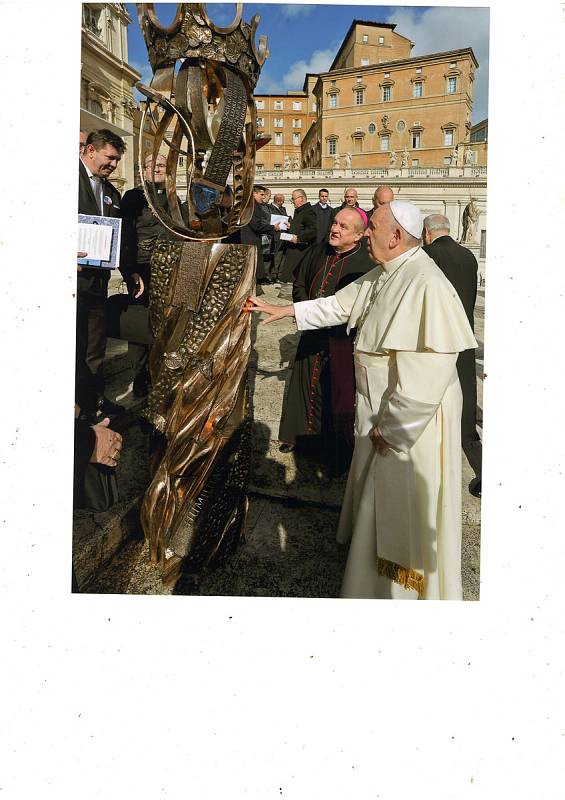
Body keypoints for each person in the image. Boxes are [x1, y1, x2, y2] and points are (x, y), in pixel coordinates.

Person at [248, 200, 477, 600]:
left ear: (395, 236)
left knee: (399, 513)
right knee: (377, 505)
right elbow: (338, 305)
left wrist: (395, 430)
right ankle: (370, 574)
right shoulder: (387, 272)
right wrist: (284, 310)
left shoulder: (425, 282)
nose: (367, 233)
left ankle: (401, 589)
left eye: (374, 228)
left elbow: (431, 370)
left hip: (408, 428)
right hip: (380, 415)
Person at [278, 208, 373, 475]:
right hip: (311, 331)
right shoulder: (319, 251)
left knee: (334, 394)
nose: (335, 229)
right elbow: (299, 282)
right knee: (303, 384)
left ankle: (331, 450)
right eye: (335, 223)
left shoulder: (365, 263)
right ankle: (295, 436)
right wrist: (302, 307)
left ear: (357, 236)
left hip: (341, 340)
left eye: (343, 226)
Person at [423, 213, 482, 497]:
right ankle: (466, 431)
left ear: (427, 233)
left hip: (439, 335)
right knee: (466, 389)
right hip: (466, 333)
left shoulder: (426, 256)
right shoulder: (468, 256)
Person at [116, 152, 181, 401]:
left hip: (171, 270)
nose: (157, 169)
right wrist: (129, 271)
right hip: (142, 271)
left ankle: (163, 372)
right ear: (143, 170)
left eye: (162, 165)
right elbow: (125, 238)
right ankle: (141, 376)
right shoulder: (132, 197)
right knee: (141, 327)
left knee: (167, 324)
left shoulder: (174, 197)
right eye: (151, 165)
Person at [77, 128, 126, 422]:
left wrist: (128, 272)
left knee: (95, 348)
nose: (114, 165)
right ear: (90, 150)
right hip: (69, 282)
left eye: (118, 160)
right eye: (110, 157)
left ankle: (93, 404)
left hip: (98, 283)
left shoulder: (111, 192)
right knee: (72, 347)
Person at [240, 185, 281, 284]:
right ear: (254, 194)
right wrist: (273, 228)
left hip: (248, 239)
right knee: (251, 270)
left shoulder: (248, 205)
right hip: (251, 241)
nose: (263, 197)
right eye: (261, 194)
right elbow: (256, 226)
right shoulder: (254, 206)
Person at [278, 189, 317, 283]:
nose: (292, 201)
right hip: (294, 250)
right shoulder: (299, 211)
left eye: (293, 198)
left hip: (301, 251)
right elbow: (301, 226)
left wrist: (299, 238)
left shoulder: (308, 211)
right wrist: (291, 226)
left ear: (301, 199)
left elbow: (313, 230)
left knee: (296, 278)